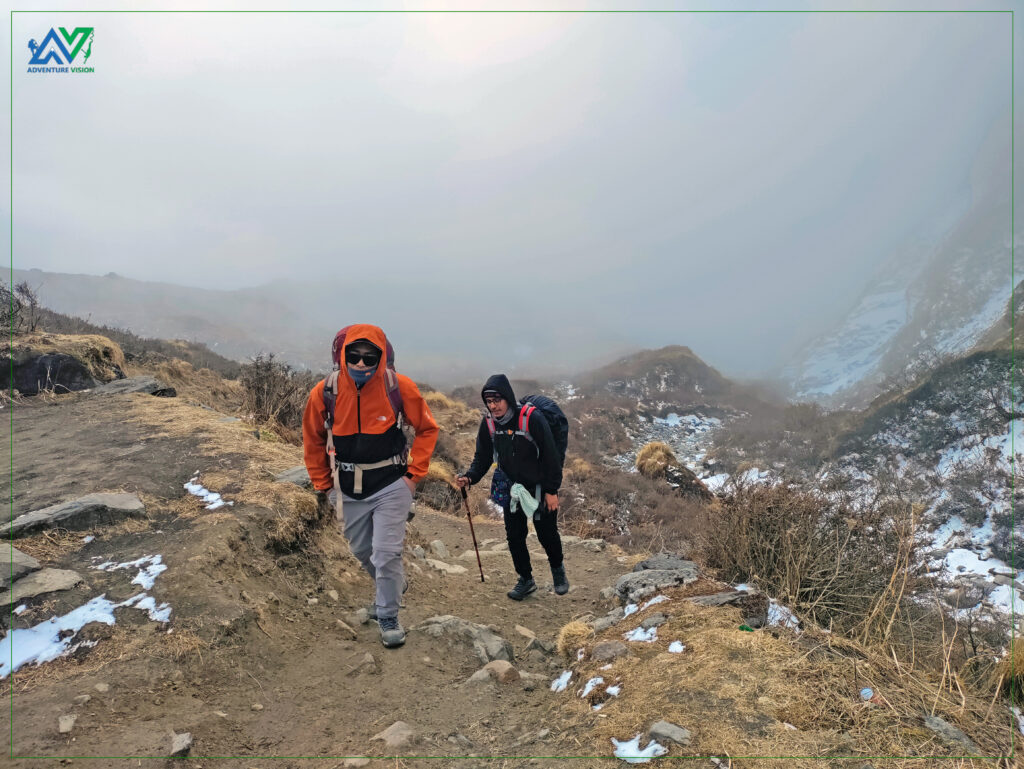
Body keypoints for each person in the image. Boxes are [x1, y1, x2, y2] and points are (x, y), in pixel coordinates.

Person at [302, 324, 438, 648]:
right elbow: (312, 440)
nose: (361, 364)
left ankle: (388, 615)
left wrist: (412, 477)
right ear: (342, 355)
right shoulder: (325, 393)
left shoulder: (398, 387)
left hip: (391, 483)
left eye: (369, 357)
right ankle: (392, 585)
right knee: (363, 551)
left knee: (386, 553)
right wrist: (325, 486)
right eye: (355, 356)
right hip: (348, 487)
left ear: (381, 357)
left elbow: (427, 429)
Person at [456, 374, 569, 600]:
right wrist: (470, 477)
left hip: (538, 485)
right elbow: (483, 456)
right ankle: (525, 580)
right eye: (489, 401)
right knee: (514, 536)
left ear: (507, 397)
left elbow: (551, 456)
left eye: (497, 399)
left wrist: (551, 490)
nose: (493, 405)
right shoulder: (489, 424)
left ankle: (558, 572)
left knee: (547, 534)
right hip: (512, 486)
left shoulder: (531, 419)